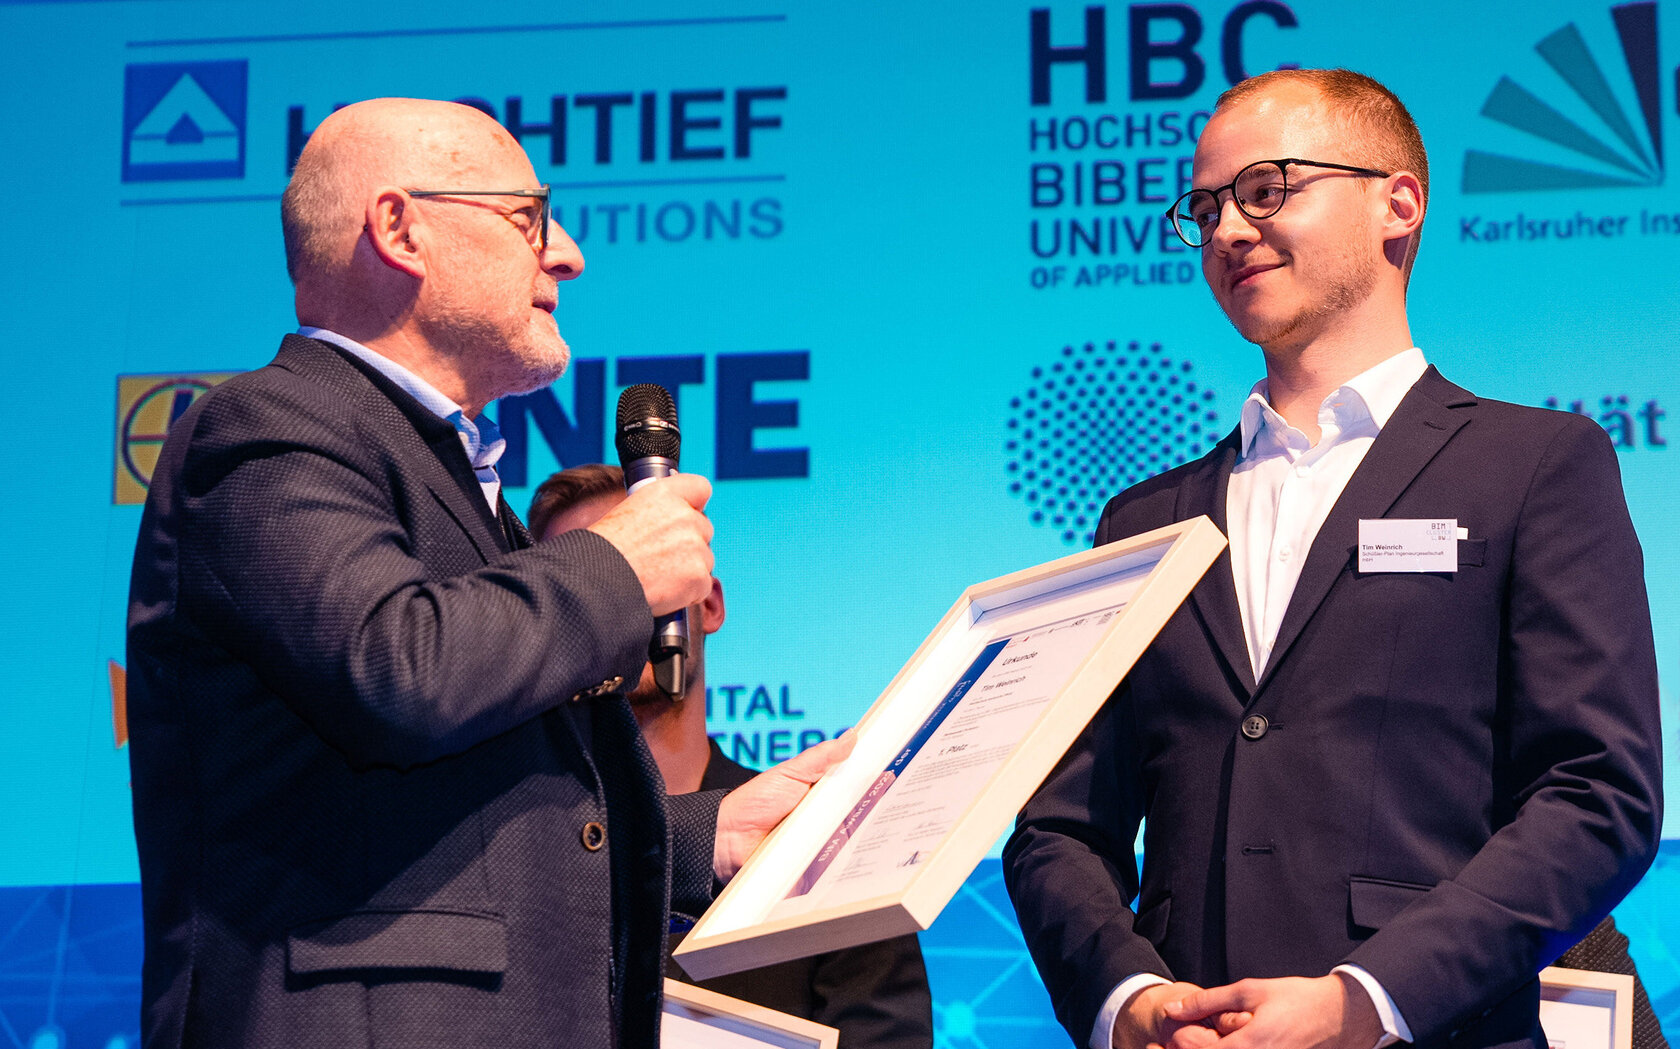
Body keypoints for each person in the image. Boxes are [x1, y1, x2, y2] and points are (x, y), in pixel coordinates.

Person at [126, 97, 846, 1049]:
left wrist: (702, 837)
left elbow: (465, 816)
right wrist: (615, 566)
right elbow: (400, 668)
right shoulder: (266, 432)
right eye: (529, 218)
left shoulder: (459, 481)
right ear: (400, 228)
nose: (568, 253)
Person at [1003, 69, 1664, 1049]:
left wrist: (1369, 995)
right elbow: (1060, 826)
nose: (1228, 230)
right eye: (1207, 206)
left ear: (1398, 204)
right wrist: (1127, 998)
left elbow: (1597, 791)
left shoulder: (1531, 467)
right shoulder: (1143, 519)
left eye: (1267, 190)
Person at [529, 463, 938, 1049]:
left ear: (710, 605)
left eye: (645, 575)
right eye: (589, 587)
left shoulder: (816, 839)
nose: (622, 608)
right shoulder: (516, 854)